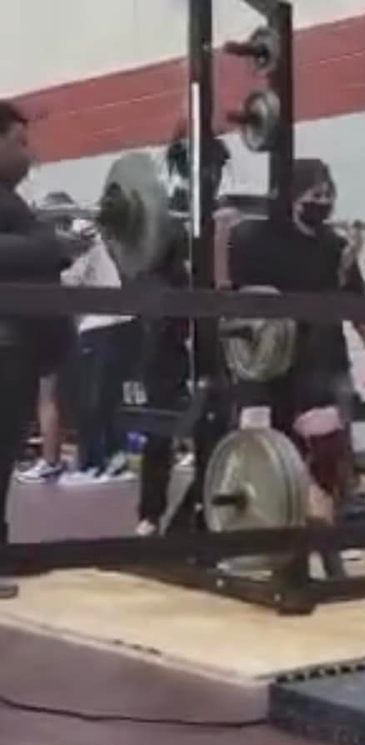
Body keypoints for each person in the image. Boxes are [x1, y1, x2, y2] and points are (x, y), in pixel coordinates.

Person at [228, 158, 365, 525]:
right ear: (291, 197)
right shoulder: (253, 240)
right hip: (268, 365)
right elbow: (224, 292)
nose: (324, 202)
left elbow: (357, 303)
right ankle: (264, 523)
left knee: (329, 446)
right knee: (265, 449)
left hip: (322, 361)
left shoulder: (335, 247)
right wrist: (220, 236)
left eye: (328, 195)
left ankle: (342, 514)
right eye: (315, 195)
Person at [0, 102, 83, 597]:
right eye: (18, 143)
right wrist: (52, 247)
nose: (28, 154)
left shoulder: (12, 202)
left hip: (19, 344)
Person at [135, 130, 233, 537]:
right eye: (208, 167)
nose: (214, 176)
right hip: (167, 339)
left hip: (213, 338)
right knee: (161, 427)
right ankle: (149, 515)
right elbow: (145, 279)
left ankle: (206, 508)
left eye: (219, 168)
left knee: (217, 425)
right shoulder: (165, 219)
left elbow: (230, 283)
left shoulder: (223, 219)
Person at [60, 214, 137, 484]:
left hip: (98, 326)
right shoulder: (99, 244)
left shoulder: (86, 241)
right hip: (116, 324)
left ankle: (92, 464)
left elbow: (69, 281)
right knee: (108, 397)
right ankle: (116, 459)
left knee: (90, 398)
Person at [16, 192, 80, 485]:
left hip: (45, 331)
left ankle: (50, 460)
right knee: (47, 398)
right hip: (56, 329)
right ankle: (49, 457)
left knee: (46, 399)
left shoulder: (45, 251)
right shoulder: (59, 252)